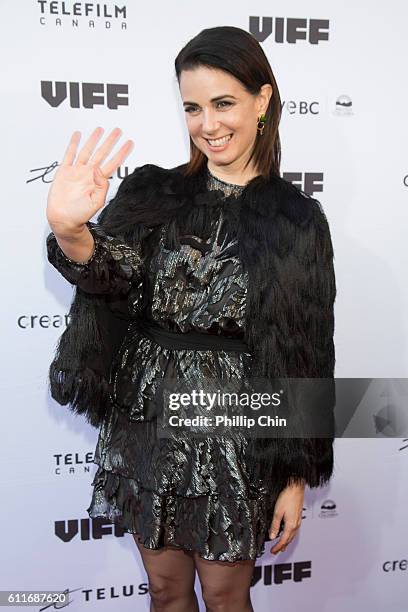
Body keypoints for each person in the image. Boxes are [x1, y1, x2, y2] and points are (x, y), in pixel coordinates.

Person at [45, 26, 336, 612]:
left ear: (263, 99)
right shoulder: (156, 192)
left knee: (228, 598)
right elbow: (113, 276)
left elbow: (306, 352)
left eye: (224, 102)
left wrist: (295, 474)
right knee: (165, 592)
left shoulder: (297, 222)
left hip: (238, 431)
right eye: (193, 108)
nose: (208, 123)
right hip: (146, 415)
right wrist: (71, 231)